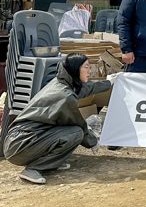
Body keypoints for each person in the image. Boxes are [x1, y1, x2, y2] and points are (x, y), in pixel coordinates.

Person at [2, 54, 112, 184]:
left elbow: (87, 89)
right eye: (86, 67)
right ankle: (33, 169)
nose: (90, 71)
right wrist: (92, 141)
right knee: (76, 133)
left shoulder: (61, 82)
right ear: (75, 69)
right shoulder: (65, 96)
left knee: (73, 132)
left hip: (25, 139)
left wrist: (110, 82)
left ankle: (51, 163)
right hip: (20, 144)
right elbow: (78, 123)